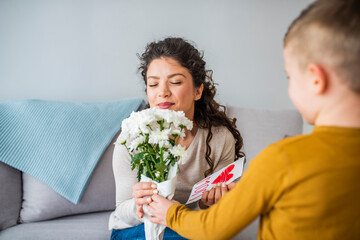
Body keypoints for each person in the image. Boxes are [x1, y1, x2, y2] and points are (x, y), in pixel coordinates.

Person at [147, 0, 360, 239]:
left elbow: (212, 228)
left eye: (290, 76)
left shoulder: (282, 160)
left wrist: (171, 214)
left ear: (315, 79)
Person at [108, 37, 245, 239]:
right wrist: (139, 203)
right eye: (153, 84)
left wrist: (211, 203)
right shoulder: (132, 138)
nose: (162, 92)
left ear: (198, 91)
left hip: (188, 225)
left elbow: (218, 217)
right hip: (137, 228)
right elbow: (122, 211)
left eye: (175, 82)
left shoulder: (219, 138)